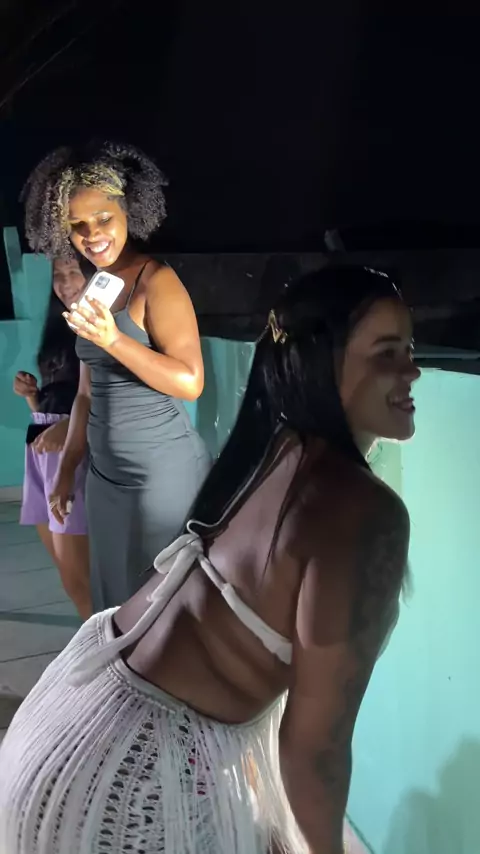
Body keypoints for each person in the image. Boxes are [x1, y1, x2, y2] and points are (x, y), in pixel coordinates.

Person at [0, 265, 421, 854]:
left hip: (70, 726)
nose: (412, 370)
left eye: (409, 349)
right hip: (123, 784)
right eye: (386, 353)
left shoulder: (274, 447)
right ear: (320, 362)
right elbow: (316, 749)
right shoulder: (362, 512)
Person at [21, 141, 210, 610]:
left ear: (128, 210)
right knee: (116, 600)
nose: (92, 234)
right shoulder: (96, 286)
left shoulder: (156, 281)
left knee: (160, 607)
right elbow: (86, 394)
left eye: (103, 218)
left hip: (158, 473)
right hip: (105, 476)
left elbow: (190, 382)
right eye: (77, 225)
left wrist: (114, 340)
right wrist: (67, 469)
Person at [14, 257, 91, 620]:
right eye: (58, 275)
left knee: (80, 578)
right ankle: (93, 638)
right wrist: (32, 397)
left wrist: (69, 428)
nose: (65, 282)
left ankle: (102, 644)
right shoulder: (61, 325)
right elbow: (57, 397)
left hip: (70, 447)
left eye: (74, 272)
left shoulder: (103, 328)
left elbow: (107, 396)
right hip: (41, 442)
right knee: (65, 571)